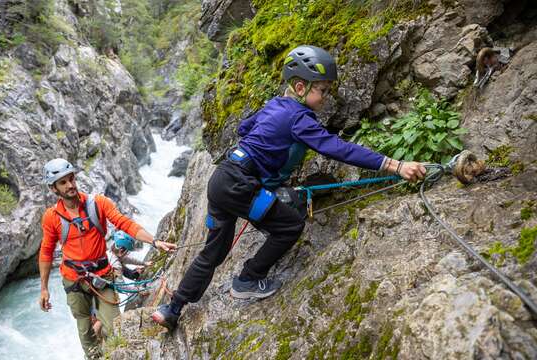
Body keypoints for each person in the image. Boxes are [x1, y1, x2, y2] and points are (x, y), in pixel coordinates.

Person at [151, 45, 427, 330]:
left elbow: (244, 128)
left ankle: (172, 309)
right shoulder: (299, 118)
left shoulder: (274, 105)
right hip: (241, 186)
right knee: (290, 226)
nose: (325, 96)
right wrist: (394, 165)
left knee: (213, 252)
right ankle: (247, 279)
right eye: (322, 89)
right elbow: (337, 149)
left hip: (222, 179)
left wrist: (267, 154)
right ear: (300, 86)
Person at [38, 158, 176, 359]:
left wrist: (154, 242)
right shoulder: (51, 217)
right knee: (84, 327)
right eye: (63, 182)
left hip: (102, 275)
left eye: (71, 179)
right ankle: (93, 356)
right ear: (54, 189)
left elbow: (124, 223)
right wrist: (43, 288)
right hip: (74, 279)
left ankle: (107, 347)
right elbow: (46, 251)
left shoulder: (98, 204)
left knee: (113, 327)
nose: (70, 185)